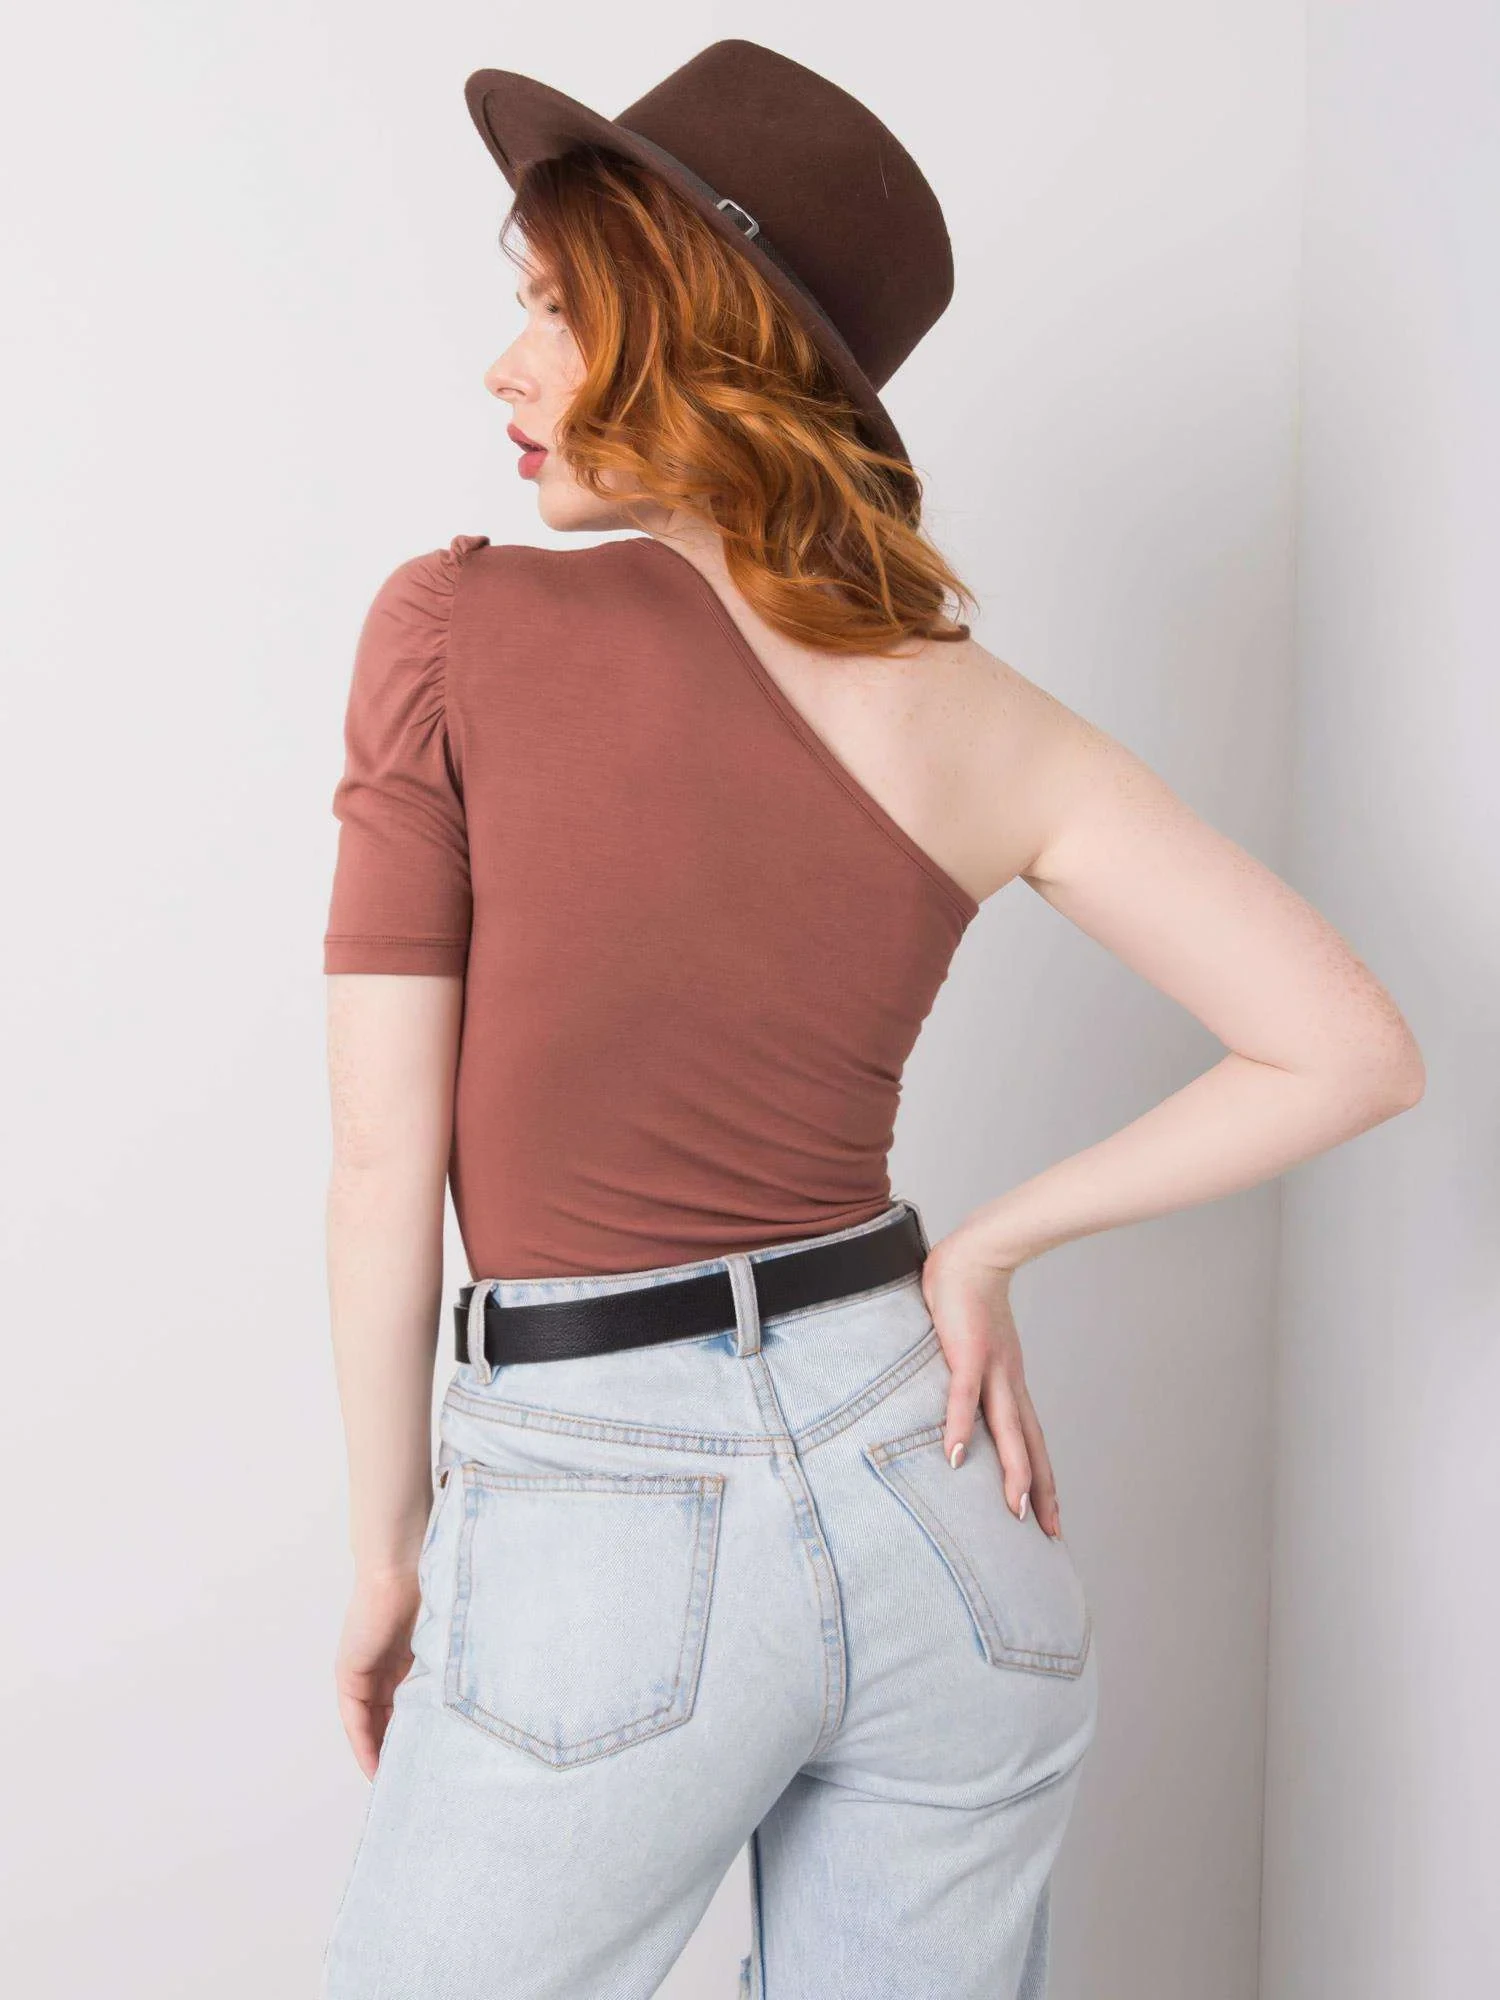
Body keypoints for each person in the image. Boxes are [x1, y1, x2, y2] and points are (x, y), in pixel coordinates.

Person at [317, 40, 1424, 2000]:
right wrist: (984, 1247)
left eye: (558, 312)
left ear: (696, 343)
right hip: (941, 1510)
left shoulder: (453, 631)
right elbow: (1347, 1044)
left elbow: (381, 1156)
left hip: (601, 1516)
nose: (504, 366)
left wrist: (389, 1546)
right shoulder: (980, 713)